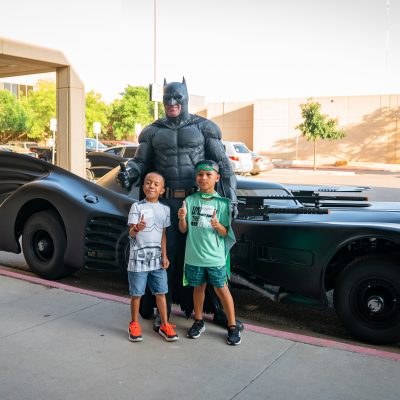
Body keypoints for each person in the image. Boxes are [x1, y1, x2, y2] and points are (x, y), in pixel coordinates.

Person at [117, 78, 240, 331]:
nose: (172, 103)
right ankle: (159, 308)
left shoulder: (204, 128)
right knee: (164, 255)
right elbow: (141, 162)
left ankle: (216, 309)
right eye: (167, 98)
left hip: (199, 202)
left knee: (208, 255)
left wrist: (232, 200)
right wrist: (130, 172)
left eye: (177, 98)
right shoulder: (153, 131)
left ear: (185, 97)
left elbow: (225, 167)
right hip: (165, 202)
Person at [178, 160, 241, 345]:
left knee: (222, 289)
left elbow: (225, 233)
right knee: (198, 288)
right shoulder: (190, 201)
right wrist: (182, 218)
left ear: (217, 178)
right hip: (194, 256)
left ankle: (232, 326)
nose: (203, 178)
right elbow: (183, 230)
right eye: (200, 174)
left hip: (215, 258)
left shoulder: (222, 203)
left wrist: (217, 225)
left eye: (208, 174)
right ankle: (199, 321)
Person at [127, 171, 178, 342]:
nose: (151, 186)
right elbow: (131, 233)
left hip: (157, 259)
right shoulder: (137, 207)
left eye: (156, 184)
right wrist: (137, 228)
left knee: (161, 292)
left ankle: (165, 324)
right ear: (143, 187)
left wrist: (165, 256)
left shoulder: (165, 210)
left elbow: (163, 235)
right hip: (138, 258)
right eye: (148, 183)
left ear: (162, 190)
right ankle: (134, 324)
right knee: (137, 294)